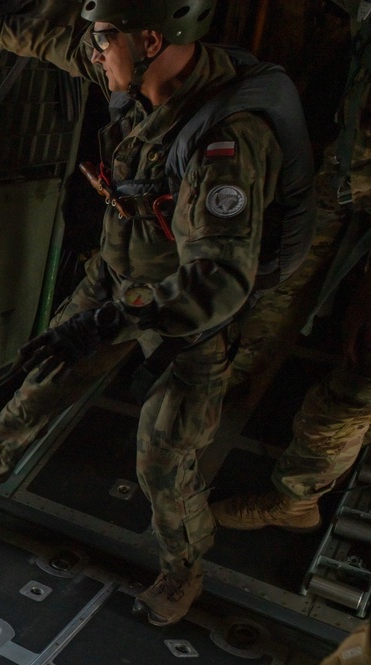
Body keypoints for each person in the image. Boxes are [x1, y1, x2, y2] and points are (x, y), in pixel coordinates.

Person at [0, 0, 314, 626]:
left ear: (149, 39)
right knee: (38, 389)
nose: (92, 54)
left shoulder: (227, 141)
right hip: (115, 278)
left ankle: (182, 570)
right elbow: (45, 39)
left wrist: (111, 322)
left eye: (103, 40)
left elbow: (222, 279)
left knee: (163, 454)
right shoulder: (131, 69)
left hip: (187, 311)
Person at [210, 0, 371, 533]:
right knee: (282, 273)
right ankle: (226, 379)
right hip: (350, 173)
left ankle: (296, 500)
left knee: (359, 377)